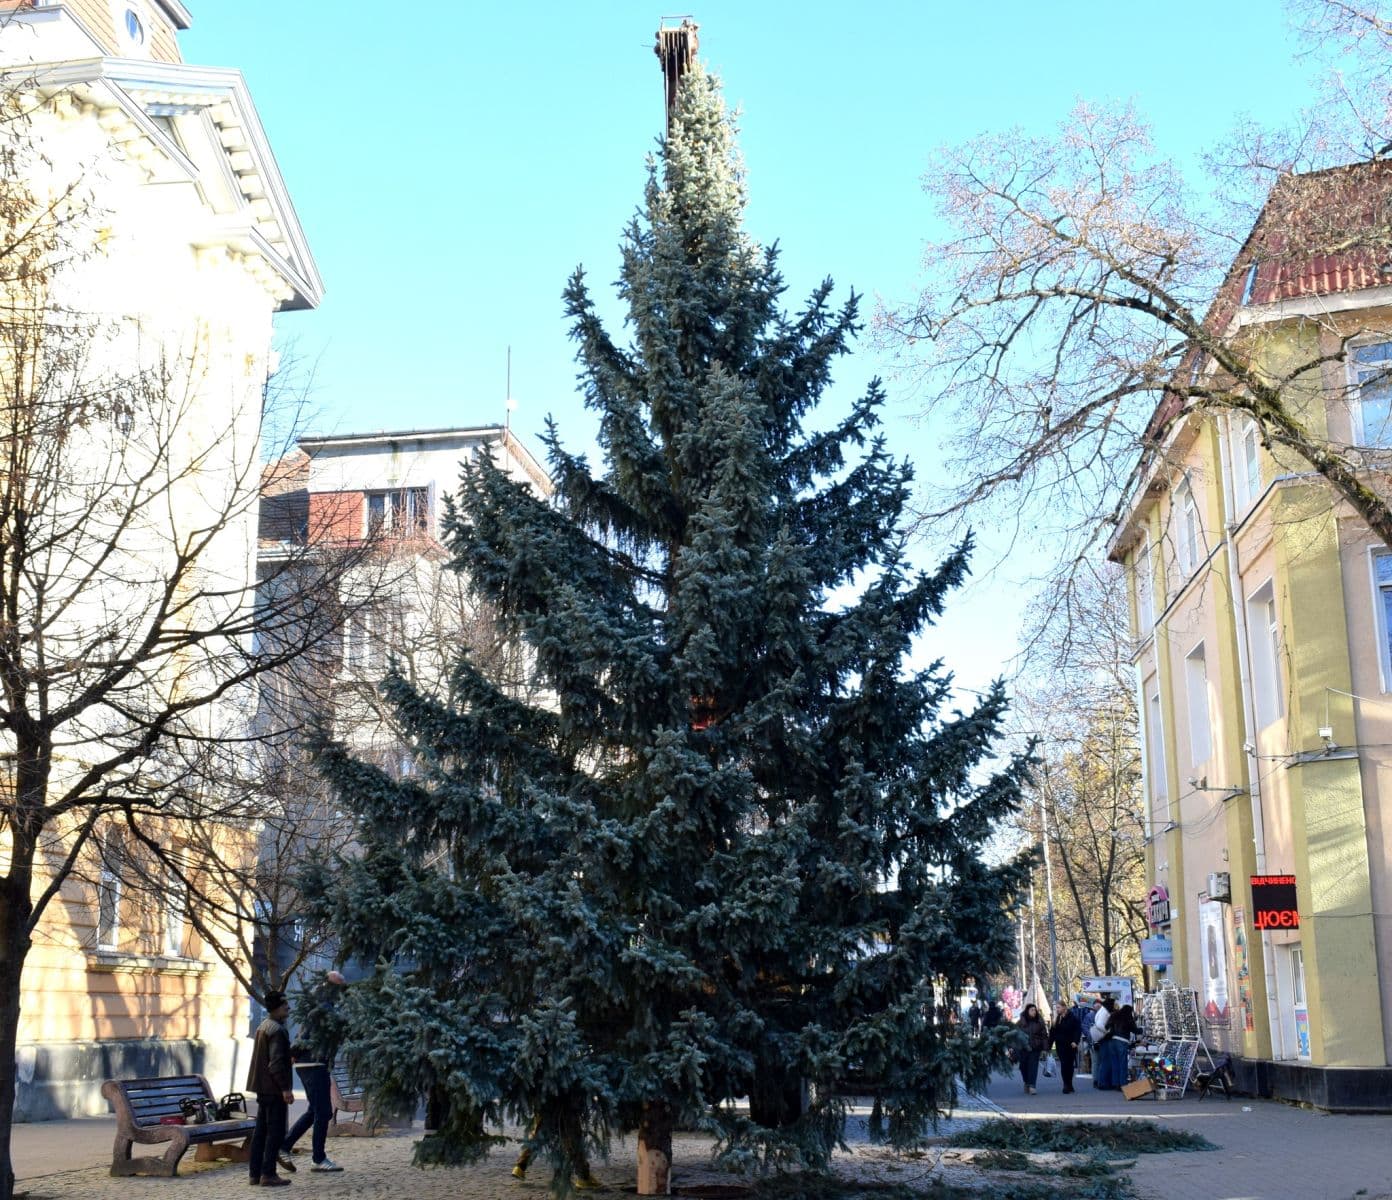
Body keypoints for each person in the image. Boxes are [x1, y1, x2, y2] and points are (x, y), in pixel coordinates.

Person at [282, 970, 347, 1173]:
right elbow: (305, 1035)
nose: (342, 991)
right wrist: (294, 1053)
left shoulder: (324, 1004)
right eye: (339, 986)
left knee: (314, 1111)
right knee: (324, 1112)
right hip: (313, 1064)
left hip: (313, 1064)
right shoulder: (323, 1007)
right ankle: (318, 1158)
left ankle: (284, 1146)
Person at [248, 990, 295, 1187]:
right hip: (273, 1088)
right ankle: (268, 1174)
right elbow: (275, 1064)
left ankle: (255, 1173)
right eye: (284, 1005)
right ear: (276, 1007)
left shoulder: (263, 1026)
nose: (288, 1008)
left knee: (260, 1132)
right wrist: (285, 1089)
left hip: (262, 1087)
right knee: (275, 1132)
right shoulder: (277, 1030)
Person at [1014, 1002, 1049, 1095]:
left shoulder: (1039, 1021)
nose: (1034, 1012)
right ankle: (1026, 1082)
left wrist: (1045, 1049)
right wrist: (1013, 1047)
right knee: (1023, 1067)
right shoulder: (1021, 1022)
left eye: (1035, 1010)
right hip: (1023, 1048)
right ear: (1027, 1011)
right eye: (1032, 1010)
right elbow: (1015, 1035)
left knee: (1033, 1067)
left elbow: (1044, 1036)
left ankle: (1032, 1086)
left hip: (1035, 1048)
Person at [1050, 997, 1082, 1094]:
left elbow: (1077, 1030)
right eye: (1056, 1008)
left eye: (1058, 1007)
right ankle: (1066, 1084)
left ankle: (1070, 1083)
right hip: (1060, 1046)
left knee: (1070, 1065)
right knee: (1064, 1064)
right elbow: (1053, 1033)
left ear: (1064, 1007)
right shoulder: (1057, 1019)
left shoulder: (1073, 1018)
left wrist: (1075, 1041)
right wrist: (1048, 1045)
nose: (1057, 1009)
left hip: (1071, 1045)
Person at [1091, 998, 1118, 1089]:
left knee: (1103, 1061)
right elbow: (1099, 1024)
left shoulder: (1101, 1011)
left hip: (1101, 1039)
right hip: (1104, 1039)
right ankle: (1103, 1083)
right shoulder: (1105, 1012)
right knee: (1105, 1061)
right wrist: (1107, 1032)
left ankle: (1101, 1082)